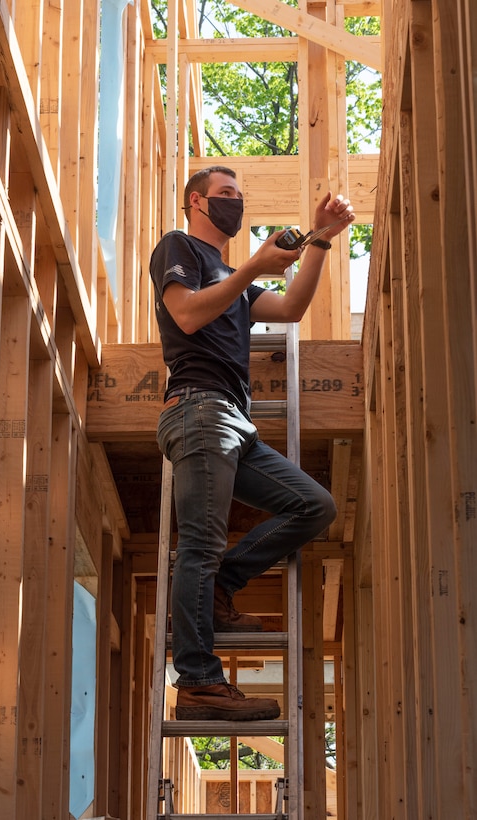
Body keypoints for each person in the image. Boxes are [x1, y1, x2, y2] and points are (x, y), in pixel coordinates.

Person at [150, 166, 355, 721]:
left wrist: (319, 241)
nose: (235, 204)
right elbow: (187, 315)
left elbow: (290, 310)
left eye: (240, 197)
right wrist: (251, 269)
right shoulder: (180, 248)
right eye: (226, 196)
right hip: (199, 410)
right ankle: (197, 683)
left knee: (314, 505)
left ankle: (221, 587)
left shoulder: (232, 277)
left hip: (235, 424)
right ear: (197, 201)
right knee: (200, 542)